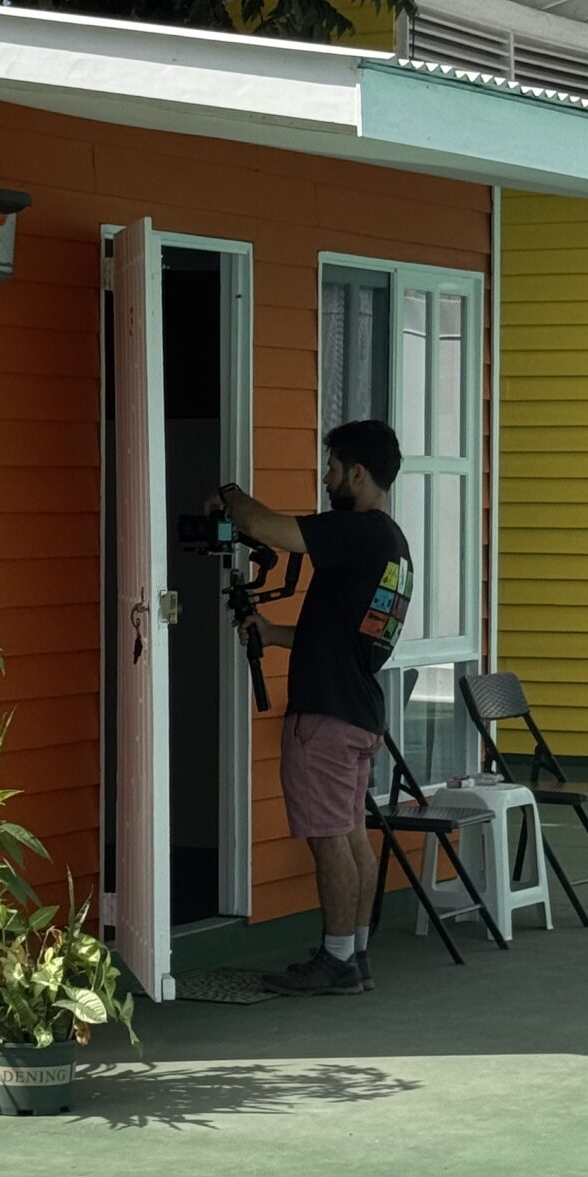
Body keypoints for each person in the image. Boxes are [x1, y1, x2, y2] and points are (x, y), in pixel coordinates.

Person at [211, 421, 413, 996]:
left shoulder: (356, 531)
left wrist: (225, 493)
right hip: (359, 710)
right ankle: (356, 953)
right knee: (350, 836)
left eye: (332, 468)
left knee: (329, 840)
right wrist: (273, 633)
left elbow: (266, 528)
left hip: (324, 717)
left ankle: (336, 960)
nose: (326, 479)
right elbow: (343, 637)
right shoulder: (392, 544)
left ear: (358, 473)